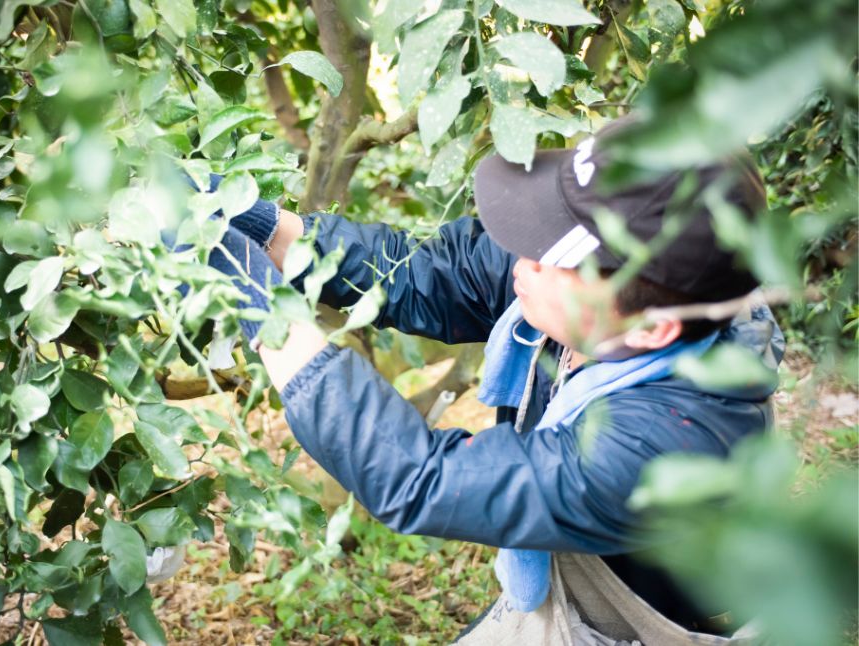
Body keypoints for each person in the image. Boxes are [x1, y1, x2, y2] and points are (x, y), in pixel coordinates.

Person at [197, 115, 783, 645]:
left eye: (556, 260)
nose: (523, 261)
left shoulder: (667, 443)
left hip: (631, 622)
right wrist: (272, 231)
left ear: (652, 330)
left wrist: (264, 316)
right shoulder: (618, 294)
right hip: (567, 579)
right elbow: (428, 273)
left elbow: (424, 478)